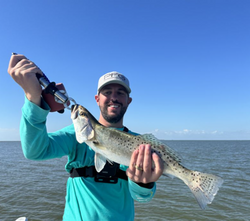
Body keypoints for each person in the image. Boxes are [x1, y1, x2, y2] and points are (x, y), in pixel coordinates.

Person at [8, 54, 164, 221]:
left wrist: (144, 183)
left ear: (128, 101)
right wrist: (33, 98)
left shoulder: (139, 145)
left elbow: (142, 197)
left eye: (120, 92)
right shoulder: (75, 135)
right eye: (107, 92)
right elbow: (35, 151)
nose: (114, 97)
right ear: (97, 99)